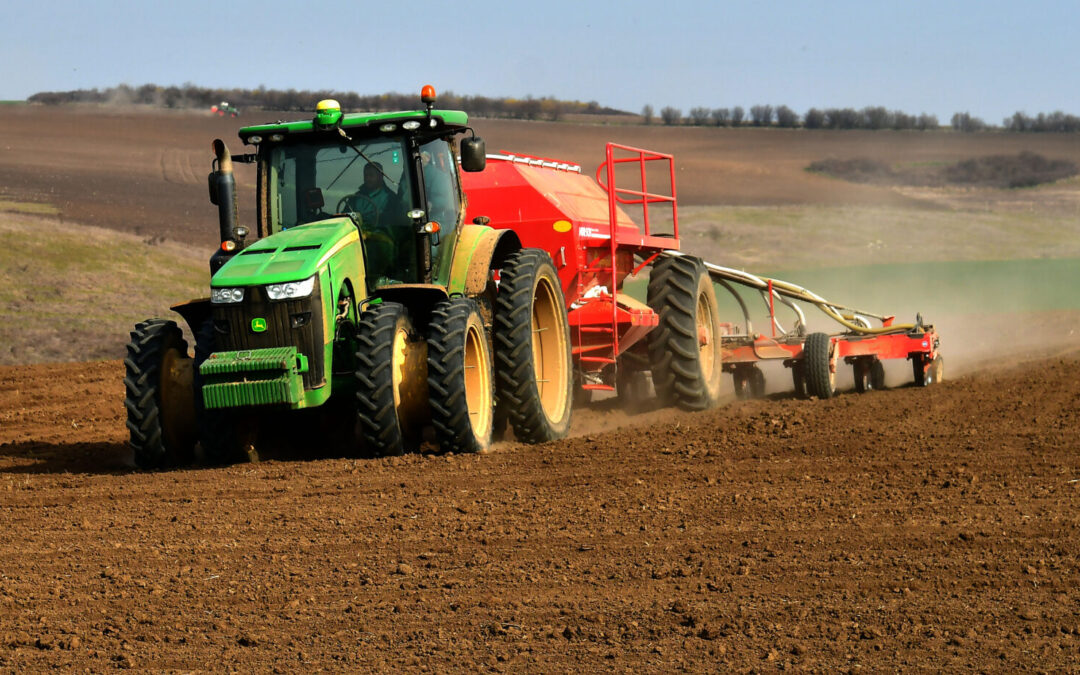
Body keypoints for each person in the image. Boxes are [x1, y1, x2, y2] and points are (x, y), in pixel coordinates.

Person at [344, 162, 398, 228]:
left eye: (371, 175)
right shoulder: (355, 197)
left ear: (380, 177)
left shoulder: (390, 198)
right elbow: (345, 216)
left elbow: (390, 223)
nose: (367, 179)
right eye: (365, 175)